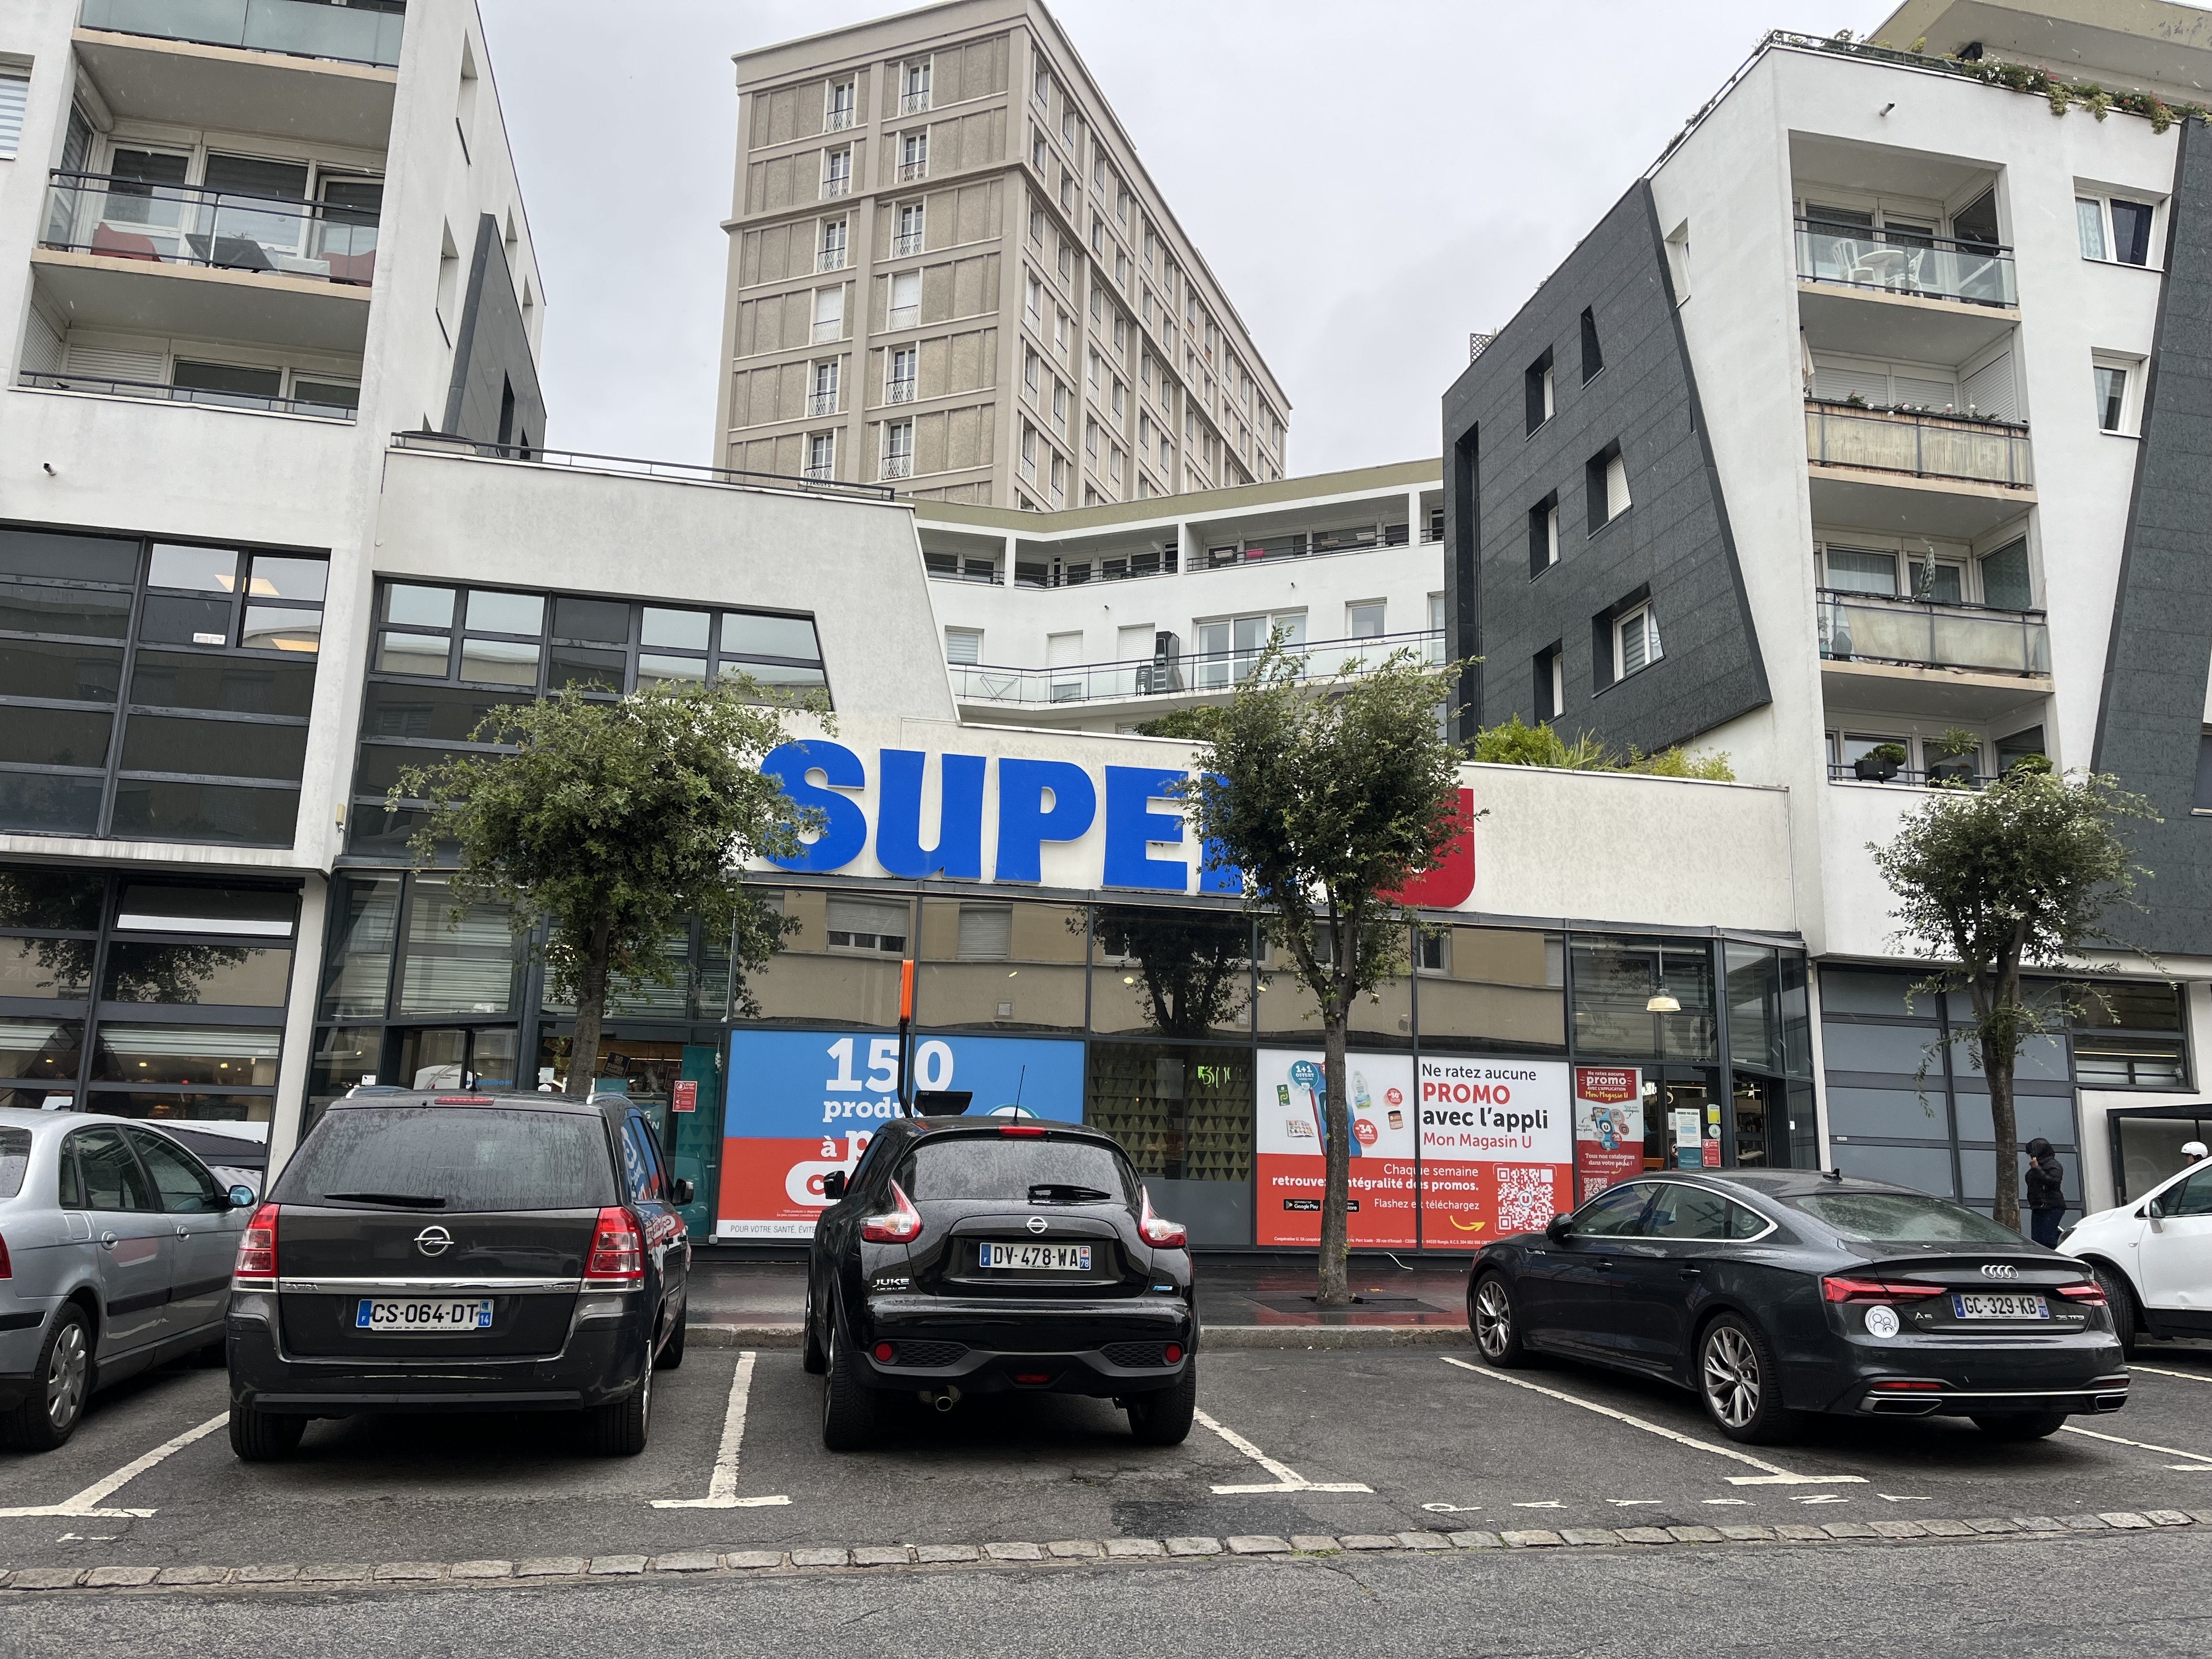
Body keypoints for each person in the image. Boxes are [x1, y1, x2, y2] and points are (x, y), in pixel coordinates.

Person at [2024, 1137, 2066, 1248]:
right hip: (2038, 1207)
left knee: (2048, 1239)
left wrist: (2037, 1169)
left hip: (2051, 1206)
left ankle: (2065, 1248)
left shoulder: (2053, 1165)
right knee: (2038, 1240)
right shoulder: (2036, 1167)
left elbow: (2054, 1182)